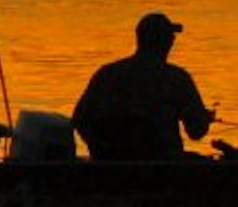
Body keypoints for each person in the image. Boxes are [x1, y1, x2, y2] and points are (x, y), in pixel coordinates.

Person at [71, 11, 216, 160]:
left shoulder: (107, 74)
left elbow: (79, 119)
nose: (173, 40)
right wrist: (204, 118)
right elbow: (196, 131)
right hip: (165, 167)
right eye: (170, 36)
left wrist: (99, 148)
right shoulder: (176, 78)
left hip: (111, 165)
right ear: (167, 43)